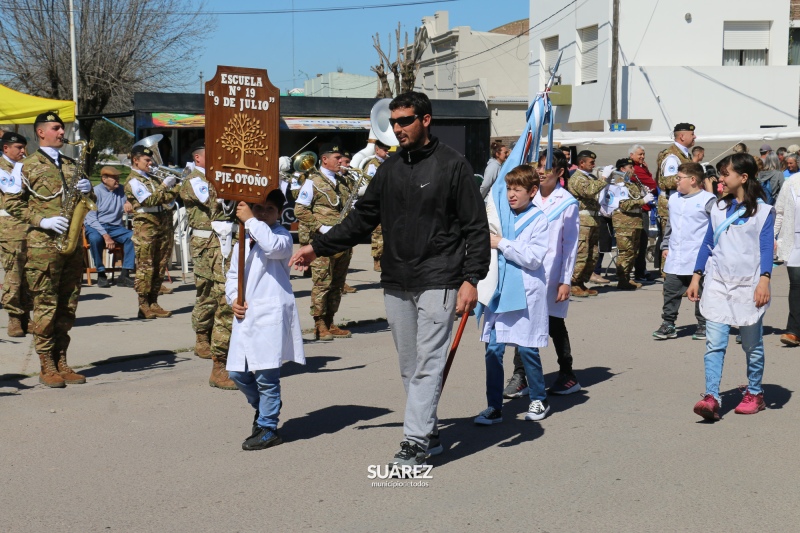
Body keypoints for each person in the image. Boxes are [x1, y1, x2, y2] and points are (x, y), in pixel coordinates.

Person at [288, 91, 489, 466]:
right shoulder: (390, 169)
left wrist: (471, 278)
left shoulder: (453, 165)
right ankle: (428, 432)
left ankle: (414, 443)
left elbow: (475, 227)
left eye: (404, 121)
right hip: (397, 278)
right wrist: (318, 247)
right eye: (393, 123)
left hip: (440, 277)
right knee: (409, 366)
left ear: (425, 120)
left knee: (429, 361)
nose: (396, 129)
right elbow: (361, 218)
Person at [5, 112, 94, 387]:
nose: (61, 132)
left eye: (61, 128)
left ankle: (62, 359)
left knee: (68, 304)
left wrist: (89, 190)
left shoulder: (70, 163)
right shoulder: (25, 165)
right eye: (56, 128)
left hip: (70, 244)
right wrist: (41, 220)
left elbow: (88, 201)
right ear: (41, 132)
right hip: (43, 245)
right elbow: (12, 203)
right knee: (46, 304)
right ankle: (46, 364)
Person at [688, 153, 774, 420]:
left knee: (752, 345)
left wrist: (765, 280)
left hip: (749, 286)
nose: (720, 179)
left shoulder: (763, 212)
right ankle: (712, 396)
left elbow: (766, 249)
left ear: (743, 177)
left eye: (725, 174)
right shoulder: (718, 208)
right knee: (714, 343)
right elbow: (707, 243)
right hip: (718, 284)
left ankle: (755, 393)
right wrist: (696, 276)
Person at [226, 190, 305, 450]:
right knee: (237, 372)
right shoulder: (243, 239)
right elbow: (233, 276)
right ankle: (264, 407)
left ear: (280, 213)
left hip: (270, 312)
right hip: (246, 314)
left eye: (268, 209)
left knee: (266, 375)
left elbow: (271, 247)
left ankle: (268, 427)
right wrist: (233, 300)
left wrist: (250, 220)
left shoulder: (281, 237)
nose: (261, 213)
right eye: (256, 208)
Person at [475, 164, 551, 425]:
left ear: (532, 191)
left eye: (517, 189)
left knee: (527, 349)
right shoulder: (499, 217)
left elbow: (533, 258)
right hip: (499, 291)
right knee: (493, 350)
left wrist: (502, 244)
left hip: (525, 293)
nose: (511, 194)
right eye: (508, 188)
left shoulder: (539, 219)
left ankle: (539, 398)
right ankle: (494, 406)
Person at [503, 151, 582, 399]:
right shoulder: (529, 197)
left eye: (547, 167)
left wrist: (565, 281)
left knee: (554, 324)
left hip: (552, 274)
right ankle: (520, 375)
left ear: (560, 173)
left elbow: (570, 245)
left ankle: (567, 373)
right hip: (526, 271)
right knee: (522, 323)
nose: (541, 170)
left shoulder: (566, 203)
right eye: (539, 165)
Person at [178, 139, 239, 388]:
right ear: (199, 158)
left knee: (224, 292)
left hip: (225, 241)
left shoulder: (217, 177)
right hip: (205, 244)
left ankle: (221, 344)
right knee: (206, 294)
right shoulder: (194, 180)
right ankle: (202, 337)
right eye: (211, 155)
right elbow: (213, 202)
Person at [293, 143, 353, 341]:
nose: (340, 161)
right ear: (324, 160)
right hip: (322, 242)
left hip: (342, 241)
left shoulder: (344, 182)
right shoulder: (313, 181)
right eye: (336, 158)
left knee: (337, 283)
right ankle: (319, 324)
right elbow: (300, 210)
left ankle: (330, 320)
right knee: (322, 283)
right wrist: (320, 227)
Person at [653, 162, 715, 341]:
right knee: (670, 290)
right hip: (676, 256)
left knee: (701, 292)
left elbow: (716, 227)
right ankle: (668, 324)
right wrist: (665, 245)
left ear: (693, 180)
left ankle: (703, 324)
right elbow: (670, 225)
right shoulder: (674, 199)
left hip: (699, 257)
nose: (676, 181)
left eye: (679, 178)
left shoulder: (708, 200)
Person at [124, 143, 179, 320]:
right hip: (146, 227)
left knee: (160, 265)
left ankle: (154, 302)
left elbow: (166, 198)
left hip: (162, 224)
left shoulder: (152, 179)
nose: (150, 163)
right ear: (136, 160)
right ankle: (143, 305)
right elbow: (149, 200)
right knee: (145, 267)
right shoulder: (134, 181)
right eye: (147, 160)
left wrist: (176, 186)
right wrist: (164, 186)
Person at [0, 132, 31, 337]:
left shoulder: (27, 166)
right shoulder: (1, 168)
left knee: (30, 272)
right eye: (18, 148)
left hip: (30, 225)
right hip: (9, 226)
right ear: (6, 148)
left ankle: (27, 316)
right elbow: (12, 190)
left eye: (23, 147)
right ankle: (14, 317)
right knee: (14, 272)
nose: (23, 151)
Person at [83, 166, 135, 288]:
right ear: (104, 179)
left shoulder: (122, 190)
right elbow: (91, 218)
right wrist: (105, 235)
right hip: (96, 225)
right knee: (96, 239)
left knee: (133, 237)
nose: (117, 180)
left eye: (118, 178)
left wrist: (129, 203)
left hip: (115, 227)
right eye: (114, 178)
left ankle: (125, 274)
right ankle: (101, 273)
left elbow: (135, 200)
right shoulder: (95, 192)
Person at [567, 150, 607, 297]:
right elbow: (589, 191)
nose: (593, 165)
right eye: (591, 162)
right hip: (583, 220)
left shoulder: (588, 177)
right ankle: (573, 283)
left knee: (593, 254)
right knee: (582, 253)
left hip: (593, 220)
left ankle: (581, 282)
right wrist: (603, 179)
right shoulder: (577, 178)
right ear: (581, 163)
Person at [610, 158, 655, 290]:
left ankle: (628, 277)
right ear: (622, 169)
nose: (633, 170)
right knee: (625, 252)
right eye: (630, 167)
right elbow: (624, 204)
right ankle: (622, 279)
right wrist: (643, 201)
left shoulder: (631, 184)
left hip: (634, 222)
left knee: (633, 252)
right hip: (624, 223)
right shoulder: (619, 184)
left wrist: (643, 193)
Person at [656, 123, 696, 269]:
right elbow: (667, 181)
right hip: (671, 205)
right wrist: (692, 178)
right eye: (692, 134)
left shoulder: (684, 154)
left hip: (681, 204)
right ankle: (669, 278)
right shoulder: (672, 156)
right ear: (682, 136)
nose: (695, 137)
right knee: (671, 242)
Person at [773, 170, 800, 346]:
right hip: (795, 242)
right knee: (797, 284)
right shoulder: (792, 182)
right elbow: (780, 212)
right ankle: (793, 331)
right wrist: (772, 236)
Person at [629, 144, 658, 279]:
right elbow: (652, 184)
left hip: (643, 207)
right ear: (632, 155)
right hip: (641, 208)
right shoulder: (636, 170)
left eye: (643, 154)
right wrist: (645, 170)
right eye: (639, 154)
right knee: (641, 240)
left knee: (642, 240)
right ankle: (640, 271)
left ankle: (640, 269)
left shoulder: (640, 168)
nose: (642, 156)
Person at [363, 140, 391, 272]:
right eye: (384, 150)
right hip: (378, 202)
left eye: (387, 150)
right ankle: (377, 260)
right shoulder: (372, 165)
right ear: (377, 150)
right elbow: (371, 184)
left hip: (388, 202)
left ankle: (385, 258)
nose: (387, 152)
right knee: (378, 234)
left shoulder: (387, 163)